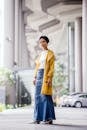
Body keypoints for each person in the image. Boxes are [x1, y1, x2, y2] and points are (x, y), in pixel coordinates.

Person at [33, 36, 56, 124]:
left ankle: (49, 119)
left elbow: (51, 67)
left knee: (46, 96)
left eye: (43, 41)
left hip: (46, 75)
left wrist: (50, 77)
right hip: (39, 75)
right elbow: (37, 67)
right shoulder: (40, 55)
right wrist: (34, 77)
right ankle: (37, 118)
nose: (42, 43)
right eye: (40, 42)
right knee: (37, 97)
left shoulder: (50, 54)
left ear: (47, 42)